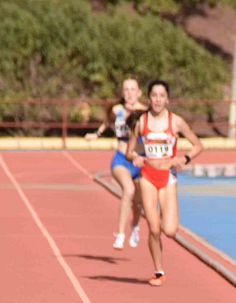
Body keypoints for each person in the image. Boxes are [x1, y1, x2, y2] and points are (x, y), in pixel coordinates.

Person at [126, 80, 204, 286]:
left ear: (167, 99)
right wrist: (136, 157)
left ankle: (160, 215)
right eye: (154, 95)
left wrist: (184, 159)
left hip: (168, 177)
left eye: (162, 96)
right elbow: (129, 151)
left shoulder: (176, 122)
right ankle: (159, 271)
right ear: (149, 98)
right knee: (153, 228)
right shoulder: (141, 122)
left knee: (169, 230)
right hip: (147, 176)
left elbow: (198, 145)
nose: (158, 99)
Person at [85, 78, 147, 250]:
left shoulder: (145, 112)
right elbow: (107, 122)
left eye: (133, 89)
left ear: (139, 92)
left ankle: (135, 225)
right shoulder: (117, 110)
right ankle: (120, 234)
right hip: (120, 159)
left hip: (139, 161)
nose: (129, 93)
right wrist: (96, 134)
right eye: (126, 90)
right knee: (128, 190)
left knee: (138, 202)